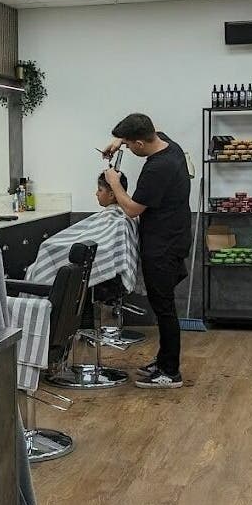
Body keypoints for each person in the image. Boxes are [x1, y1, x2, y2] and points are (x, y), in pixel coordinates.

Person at [102, 113, 191, 389]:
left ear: (140, 143)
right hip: (173, 236)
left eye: (130, 145)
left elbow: (131, 210)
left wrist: (114, 183)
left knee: (164, 308)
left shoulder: (158, 168)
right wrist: (118, 140)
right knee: (163, 305)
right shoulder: (168, 145)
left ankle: (170, 372)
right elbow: (152, 132)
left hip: (163, 245)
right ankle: (164, 360)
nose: (128, 149)